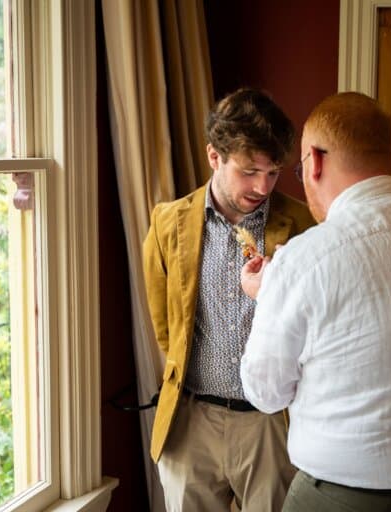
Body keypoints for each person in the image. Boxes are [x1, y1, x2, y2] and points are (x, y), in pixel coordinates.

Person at [239, 92, 391, 512]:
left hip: (348, 497)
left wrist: (269, 297)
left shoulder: (303, 260)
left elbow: (265, 392)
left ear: (314, 161)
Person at [142, 87, 315, 512]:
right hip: (191, 421)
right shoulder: (167, 224)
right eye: (249, 171)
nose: (262, 186)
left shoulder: (304, 225)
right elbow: (167, 329)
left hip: (272, 424)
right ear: (214, 157)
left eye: (273, 172)